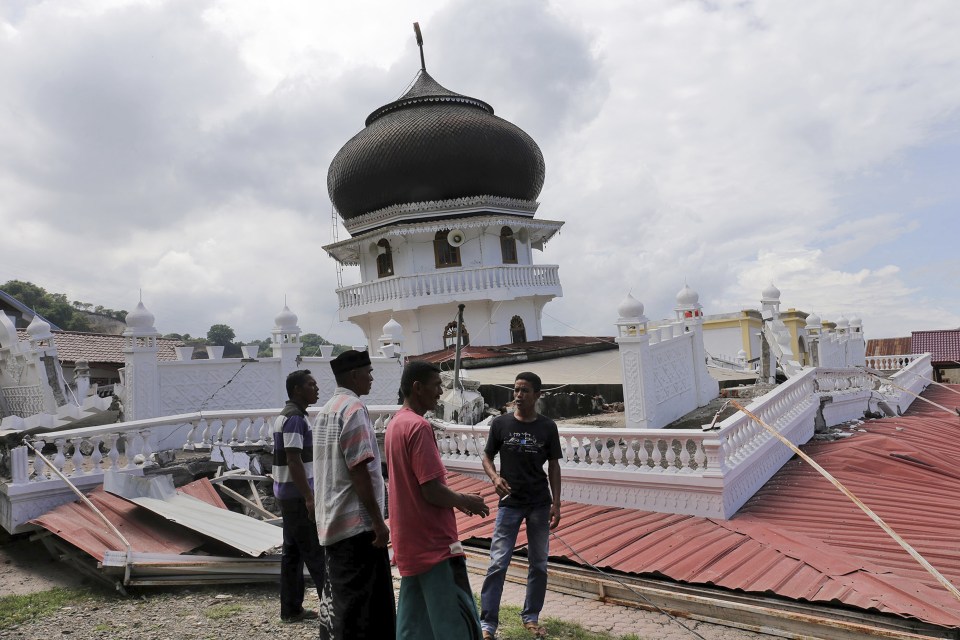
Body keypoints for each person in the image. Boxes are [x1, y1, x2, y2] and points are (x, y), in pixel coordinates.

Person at [386, 361, 491, 640]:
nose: (440, 393)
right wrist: (465, 500)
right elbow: (430, 489)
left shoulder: (396, 424)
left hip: (408, 538)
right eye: (436, 386)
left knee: (414, 619)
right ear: (417, 388)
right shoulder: (419, 427)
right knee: (453, 619)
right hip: (431, 540)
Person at [313, 350, 395, 639]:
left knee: (341, 596)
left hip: (331, 520)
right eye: (368, 372)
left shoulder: (326, 410)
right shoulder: (353, 409)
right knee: (364, 605)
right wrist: (377, 521)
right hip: (356, 525)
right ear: (354, 375)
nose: (372, 377)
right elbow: (359, 468)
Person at [480, 372, 562, 639]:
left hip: (539, 503)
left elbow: (554, 465)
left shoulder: (547, 427)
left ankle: (531, 616)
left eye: (525, 391)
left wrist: (557, 503)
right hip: (509, 504)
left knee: (538, 564)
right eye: (516, 390)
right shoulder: (500, 423)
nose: (518, 395)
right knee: (497, 563)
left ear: (537, 395)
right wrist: (494, 477)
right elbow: (487, 456)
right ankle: (488, 624)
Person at [272, 369, 326, 624]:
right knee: (315, 552)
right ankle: (334, 609)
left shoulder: (289, 416)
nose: (316, 389)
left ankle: (291, 609)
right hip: (296, 496)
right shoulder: (294, 418)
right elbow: (293, 459)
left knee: (292, 553)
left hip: (287, 493)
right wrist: (309, 496)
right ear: (297, 390)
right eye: (311, 385)